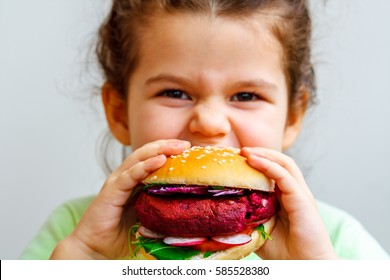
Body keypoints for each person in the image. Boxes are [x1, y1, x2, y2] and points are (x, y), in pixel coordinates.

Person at [21, 0, 389, 260]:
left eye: (246, 95)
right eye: (175, 93)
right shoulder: (73, 231)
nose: (210, 124)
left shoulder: (337, 241)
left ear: (293, 116)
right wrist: (87, 258)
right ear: (119, 113)